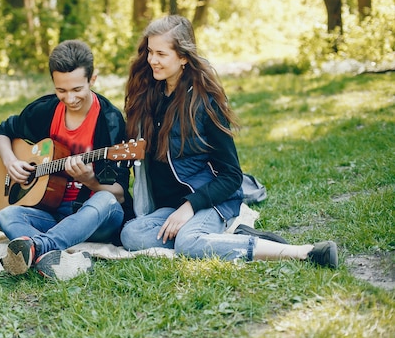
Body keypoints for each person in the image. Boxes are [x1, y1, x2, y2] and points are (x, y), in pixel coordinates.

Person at [120, 15, 338, 268]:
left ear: (183, 58)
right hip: (171, 207)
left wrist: (190, 207)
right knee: (131, 235)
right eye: (149, 51)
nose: (152, 60)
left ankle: (302, 252)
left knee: (187, 244)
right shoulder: (149, 96)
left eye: (161, 53)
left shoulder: (204, 102)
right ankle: (226, 239)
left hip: (210, 200)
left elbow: (232, 175)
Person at [0, 40, 133, 280]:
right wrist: (11, 162)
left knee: (105, 200)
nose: (69, 98)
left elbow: (118, 194)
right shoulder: (46, 110)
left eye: (77, 89)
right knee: (5, 215)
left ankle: (38, 248)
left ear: (92, 79)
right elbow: (2, 132)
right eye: (61, 90)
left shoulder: (109, 121)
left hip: (95, 217)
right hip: (51, 212)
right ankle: (52, 258)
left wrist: (90, 180)